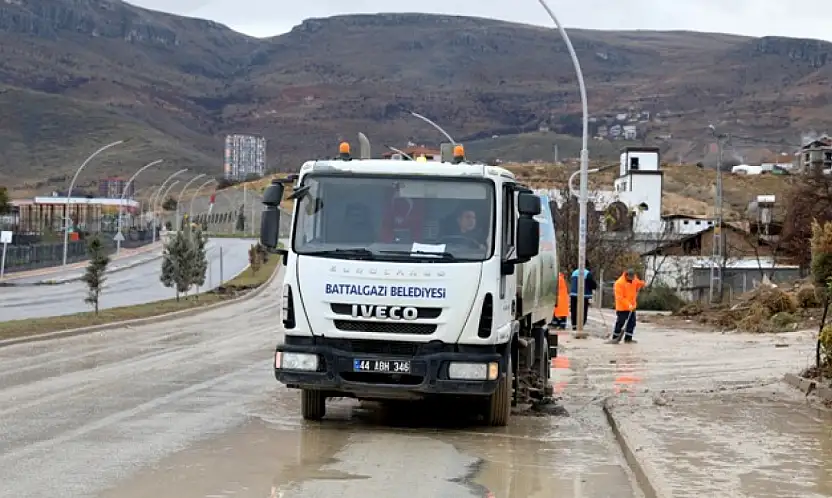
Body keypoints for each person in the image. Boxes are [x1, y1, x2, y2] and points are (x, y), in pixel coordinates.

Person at [608, 268, 646, 344]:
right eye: (631, 277)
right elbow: (620, 297)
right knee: (620, 322)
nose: (632, 279)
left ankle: (628, 338)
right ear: (626, 275)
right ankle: (615, 338)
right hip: (622, 308)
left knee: (632, 323)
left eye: (633, 277)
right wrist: (628, 305)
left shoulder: (634, 279)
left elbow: (638, 283)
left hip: (632, 307)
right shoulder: (619, 283)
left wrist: (642, 283)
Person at [569, 261, 598, 330]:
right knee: (583, 311)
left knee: (574, 311)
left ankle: (574, 325)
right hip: (583, 295)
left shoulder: (574, 272)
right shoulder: (587, 273)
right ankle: (580, 326)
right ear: (587, 266)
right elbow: (593, 285)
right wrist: (594, 286)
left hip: (573, 294)